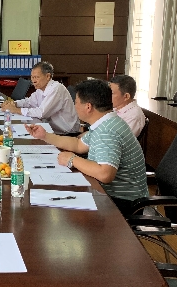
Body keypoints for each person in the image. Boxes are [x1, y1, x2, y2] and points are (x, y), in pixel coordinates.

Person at [25, 79, 147, 215]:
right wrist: (45, 136)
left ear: (88, 107)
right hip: (106, 192)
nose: (74, 106)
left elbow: (105, 174)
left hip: (122, 202)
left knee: (54, 209)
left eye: (76, 102)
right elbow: (78, 145)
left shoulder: (107, 131)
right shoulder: (106, 121)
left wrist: (72, 159)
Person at [0, 61, 79, 134]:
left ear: (47, 76)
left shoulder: (56, 89)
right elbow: (29, 102)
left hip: (66, 132)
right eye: (32, 77)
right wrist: (13, 103)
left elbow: (41, 113)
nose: (33, 81)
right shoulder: (41, 88)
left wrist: (16, 110)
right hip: (51, 127)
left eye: (36, 77)